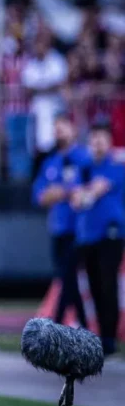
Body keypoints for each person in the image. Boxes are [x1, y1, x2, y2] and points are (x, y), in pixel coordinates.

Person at [71, 124, 124, 356]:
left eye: (101, 138)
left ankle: (110, 338)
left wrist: (84, 193)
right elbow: (75, 197)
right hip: (88, 234)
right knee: (93, 285)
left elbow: (95, 190)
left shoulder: (116, 165)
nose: (97, 143)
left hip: (111, 232)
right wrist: (81, 193)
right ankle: (100, 335)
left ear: (109, 140)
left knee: (108, 283)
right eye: (93, 139)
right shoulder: (86, 167)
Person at [33, 115, 90, 328]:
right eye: (55, 128)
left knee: (68, 276)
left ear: (73, 130)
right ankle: (83, 325)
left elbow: (84, 189)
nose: (58, 132)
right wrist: (59, 193)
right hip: (58, 227)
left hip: (81, 228)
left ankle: (57, 323)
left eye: (62, 127)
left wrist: (63, 192)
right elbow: (39, 196)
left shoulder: (84, 158)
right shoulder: (51, 162)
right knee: (67, 278)